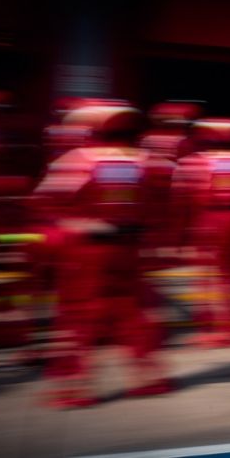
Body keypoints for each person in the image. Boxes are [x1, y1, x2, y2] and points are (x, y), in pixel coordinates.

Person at [35, 103, 172, 408]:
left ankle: (74, 387)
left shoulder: (78, 159)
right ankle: (149, 376)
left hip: (88, 250)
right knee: (132, 311)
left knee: (76, 315)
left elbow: (47, 202)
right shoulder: (151, 161)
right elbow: (162, 207)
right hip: (130, 248)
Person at [172, 118, 230, 347]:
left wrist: (179, 236)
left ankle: (216, 327)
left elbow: (182, 200)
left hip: (211, 217)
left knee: (209, 276)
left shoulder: (196, 161)